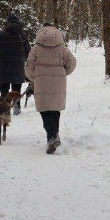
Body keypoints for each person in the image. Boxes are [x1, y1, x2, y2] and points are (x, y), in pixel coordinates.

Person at [24, 23, 77, 154]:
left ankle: (52, 136)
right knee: (55, 109)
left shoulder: (36, 48)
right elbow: (72, 62)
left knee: (45, 110)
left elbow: (29, 66)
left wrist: (33, 78)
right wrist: (64, 72)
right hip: (58, 80)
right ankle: (55, 135)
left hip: (41, 81)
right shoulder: (62, 48)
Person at [0, 14, 31, 115]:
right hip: (18, 67)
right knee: (16, 89)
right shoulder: (22, 35)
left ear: (7, 23)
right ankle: (16, 108)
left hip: (3, 67)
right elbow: (28, 51)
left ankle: (5, 109)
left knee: (4, 89)